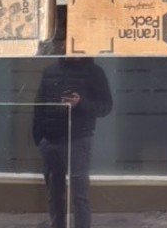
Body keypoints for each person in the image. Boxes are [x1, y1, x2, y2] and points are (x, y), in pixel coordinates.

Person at [33, 56, 112, 228]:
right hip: (51, 140)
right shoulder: (50, 71)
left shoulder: (94, 72)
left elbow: (105, 106)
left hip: (78, 139)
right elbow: (39, 104)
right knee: (54, 195)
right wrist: (39, 138)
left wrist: (80, 103)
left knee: (79, 196)